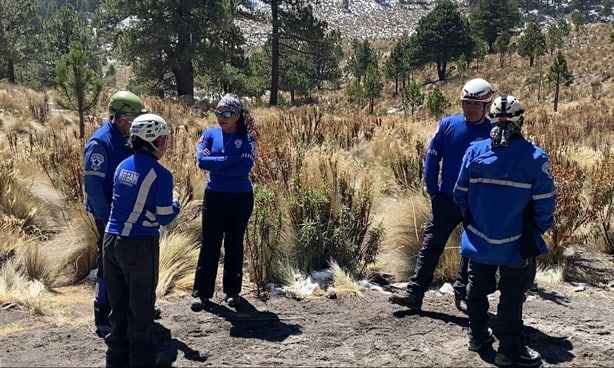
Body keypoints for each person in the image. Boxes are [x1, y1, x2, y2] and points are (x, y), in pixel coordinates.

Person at [453, 95, 556, 367]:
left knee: (476, 291)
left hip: (478, 240)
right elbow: (546, 204)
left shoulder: (474, 152)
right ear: (520, 121)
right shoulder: (534, 157)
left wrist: (474, 220)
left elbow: (459, 194)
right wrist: (537, 231)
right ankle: (509, 351)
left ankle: (477, 337)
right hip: (516, 244)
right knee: (512, 298)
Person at [389, 78, 495, 313]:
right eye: (465, 103)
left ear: (486, 106)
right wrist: (432, 189)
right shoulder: (448, 125)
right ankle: (414, 294)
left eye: (475, 105)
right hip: (446, 198)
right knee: (431, 246)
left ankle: (463, 294)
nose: (469, 108)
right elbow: (432, 156)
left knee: (470, 250)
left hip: (478, 202)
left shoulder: (493, 132)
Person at [103, 113, 181, 367]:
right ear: (156, 140)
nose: (166, 144)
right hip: (139, 245)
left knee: (118, 303)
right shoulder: (161, 174)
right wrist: (177, 202)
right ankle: (141, 359)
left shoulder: (122, 166)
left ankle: (116, 355)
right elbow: (164, 216)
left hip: (110, 241)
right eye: (164, 139)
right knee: (141, 306)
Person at [83, 90, 145, 337]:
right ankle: (103, 314)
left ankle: (128, 308)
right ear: (120, 119)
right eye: (133, 121)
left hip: (126, 214)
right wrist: (107, 218)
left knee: (129, 263)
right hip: (108, 216)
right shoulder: (100, 143)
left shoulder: (127, 140)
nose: (136, 126)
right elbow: (93, 186)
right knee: (108, 264)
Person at [190, 93, 257, 311]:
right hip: (215, 195)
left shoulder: (247, 137)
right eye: (218, 112)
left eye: (227, 113)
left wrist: (218, 163)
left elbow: (243, 168)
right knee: (210, 243)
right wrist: (230, 159)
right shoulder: (209, 134)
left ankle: (232, 291)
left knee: (234, 243)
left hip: (240, 197)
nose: (222, 117)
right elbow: (202, 161)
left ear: (237, 115)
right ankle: (201, 293)